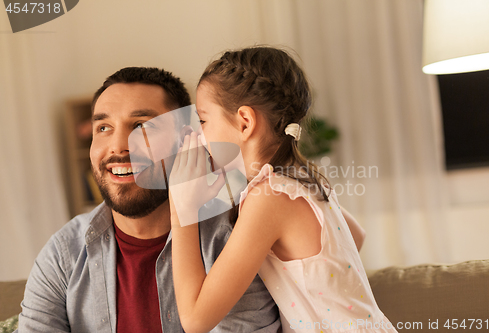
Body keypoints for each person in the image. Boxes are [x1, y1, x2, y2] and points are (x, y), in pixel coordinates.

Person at [16, 67, 281, 333]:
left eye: (142, 126)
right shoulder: (64, 253)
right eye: (104, 127)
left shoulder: (234, 241)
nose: (119, 146)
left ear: (186, 142)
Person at [168, 47, 396, 333]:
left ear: (245, 122)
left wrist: (181, 211)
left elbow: (195, 320)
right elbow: (356, 237)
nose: (199, 134)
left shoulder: (269, 197)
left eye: (203, 120)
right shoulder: (300, 177)